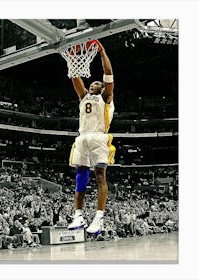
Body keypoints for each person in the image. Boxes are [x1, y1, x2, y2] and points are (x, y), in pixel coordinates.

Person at [67, 40, 116, 234]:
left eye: (97, 83)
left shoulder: (106, 97)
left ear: (102, 88)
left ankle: (99, 216)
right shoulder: (83, 96)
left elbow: (109, 74)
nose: (93, 84)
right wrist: (71, 57)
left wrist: (102, 52)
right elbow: (74, 75)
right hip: (82, 138)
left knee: (99, 176)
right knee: (80, 175)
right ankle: (78, 215)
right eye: (92, 82)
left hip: (98, 137)